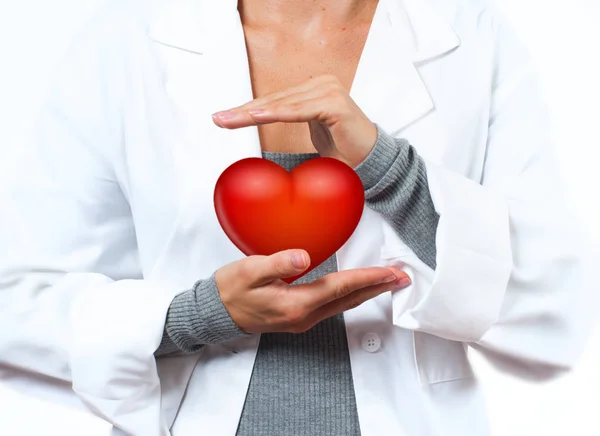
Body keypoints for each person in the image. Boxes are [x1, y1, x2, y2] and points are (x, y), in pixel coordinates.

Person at [0, 0, 594, 435]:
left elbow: (555, 304)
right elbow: (17, 299)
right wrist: (199, 316)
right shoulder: (126, 42)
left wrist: (388, 171)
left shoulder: (476, 38)